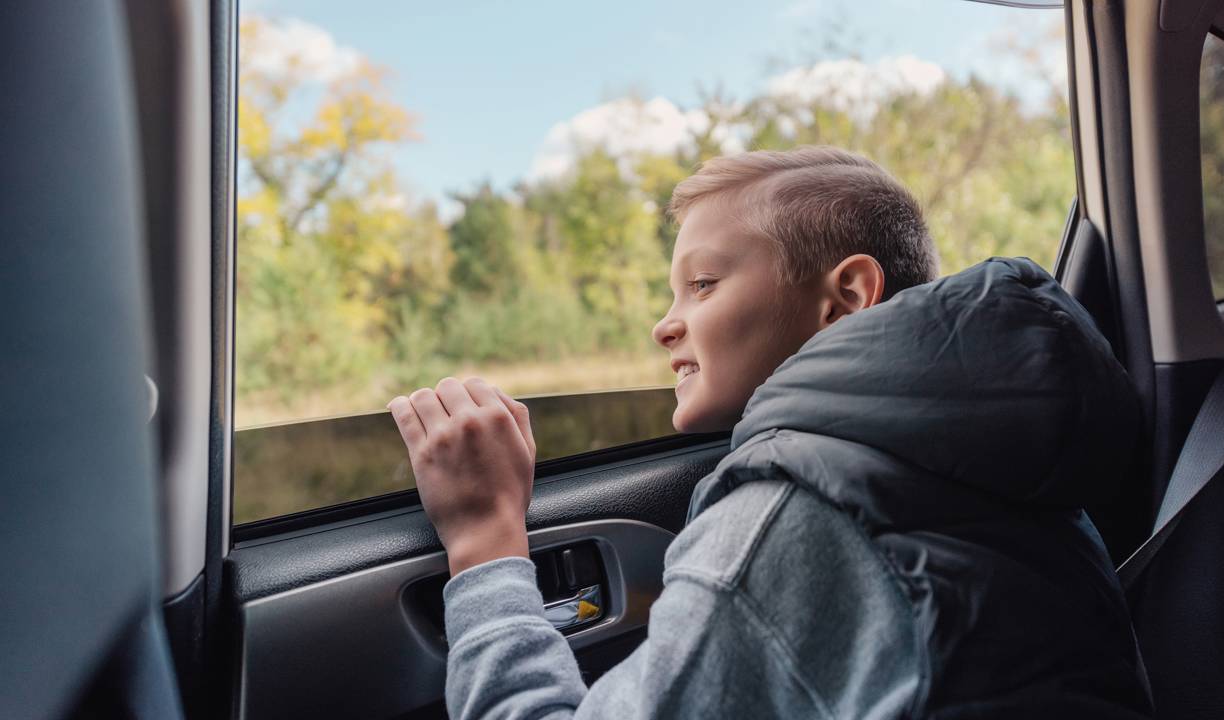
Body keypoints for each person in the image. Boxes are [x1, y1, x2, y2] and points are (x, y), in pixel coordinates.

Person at [386, 147, 1154, 719]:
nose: (665, 324)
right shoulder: (997, 469)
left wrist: (485, 540)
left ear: (846, 296)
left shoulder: (796, 518)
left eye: (704, 283)